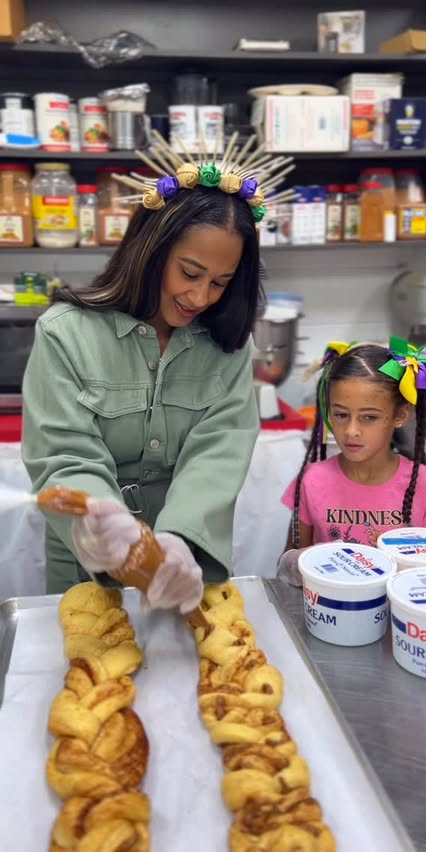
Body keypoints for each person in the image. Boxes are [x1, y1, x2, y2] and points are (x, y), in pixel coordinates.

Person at [22, 137, 293, 608]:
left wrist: (178, 543)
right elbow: (63, 455)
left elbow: (219, 453)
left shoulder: (227, 346)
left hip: (185, 565)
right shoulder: (65, 333)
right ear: (150, 251)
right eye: (189, 273)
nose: (201, 297)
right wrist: (105, 526)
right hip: (87, 568)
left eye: (220, 282)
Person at [278, 338, 426, 585]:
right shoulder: (312, 481)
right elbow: (290, 568)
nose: (351, 431)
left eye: (369, 417)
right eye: (341, 414)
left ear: (400, 415)